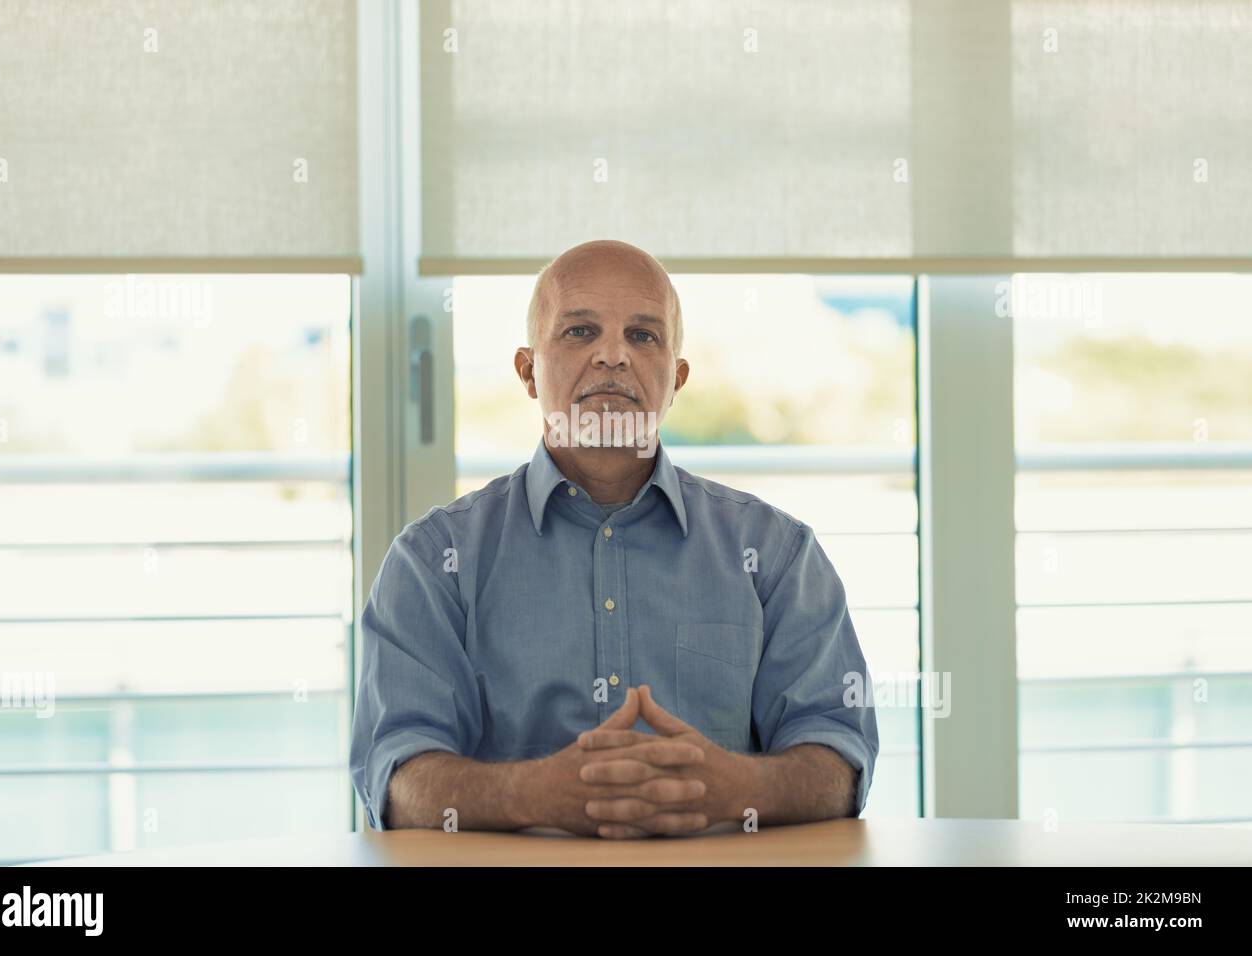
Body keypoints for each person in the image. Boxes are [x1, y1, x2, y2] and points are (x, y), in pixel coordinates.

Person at [350, 239, 878, 838]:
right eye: (579, 332)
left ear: (675, 378)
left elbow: (839, 759)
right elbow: (398, 779)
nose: (612, 356)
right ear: (528, 371)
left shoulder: (779, 556)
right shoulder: (430, 562)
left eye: (643, 336)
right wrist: (537, 795)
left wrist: (732, 787)